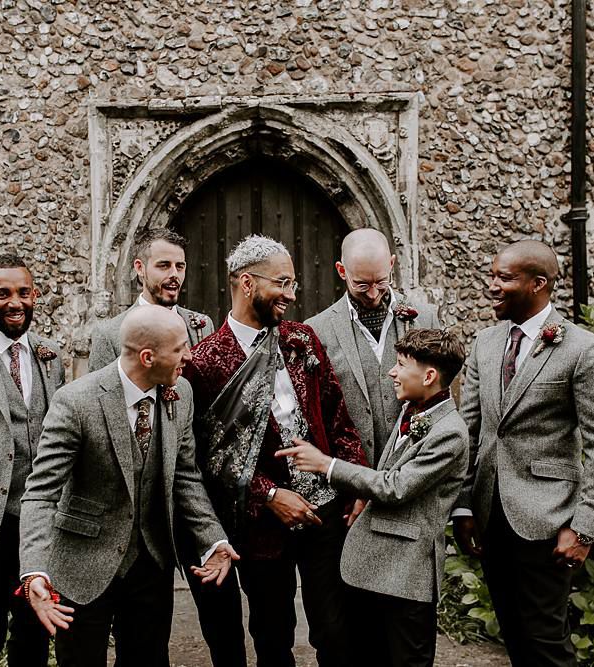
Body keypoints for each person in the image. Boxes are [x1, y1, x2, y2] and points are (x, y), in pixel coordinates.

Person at [18, 306, 238, 667]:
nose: (190, 355)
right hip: (82, 565)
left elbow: (185, 475)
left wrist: (212, 538)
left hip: (151, 562)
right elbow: (42, 492)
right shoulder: (76, 402)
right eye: (181, 348)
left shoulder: (179, 392)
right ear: (148, 357)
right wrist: (35, 570)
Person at [184, 234, 367, 667]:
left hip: (325, 512)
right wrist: (269, 495)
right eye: (282, 283)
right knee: (272, 636)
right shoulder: (205, 361)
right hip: (261, 525)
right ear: (247, 284)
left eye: (293, 284)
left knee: (336, 632)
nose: (290, 294)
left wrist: (355, 479)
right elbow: (207, 457)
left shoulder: (301, 339)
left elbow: (337, 415)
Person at [453, 240, 594, 666]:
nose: (492, 286)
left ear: (539, 284)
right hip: (491, 519)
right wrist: (463, 506)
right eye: (492, 275)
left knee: (547, 646)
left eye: (504, 278)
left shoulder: (582, 349)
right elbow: (469, 432)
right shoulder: (485, 344)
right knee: (513, 638)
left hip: (549, 523)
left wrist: (584, 528)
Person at [279, 327, 469, 667]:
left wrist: (327, 465)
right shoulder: (413, 408)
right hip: (377, 569)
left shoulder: (450, 432)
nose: (392, 372)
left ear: (428, 376)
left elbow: (394, 487)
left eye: (400, 365)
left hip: (407, 576)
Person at [0, 253, 64, 667]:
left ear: (35, 294)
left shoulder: (49, 354)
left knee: (33, 643)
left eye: (24, 292)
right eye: (2, 293)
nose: (15, 302)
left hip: (38, 526)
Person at [306, 228, 439, 466]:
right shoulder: (317, 330)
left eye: (381, 281)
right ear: (341, 270)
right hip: (351, 479)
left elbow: (441, 400)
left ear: (391, 263)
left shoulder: (425, 318)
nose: (374, 293)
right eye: (362, 284)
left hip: (415, 469)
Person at [88, 228, 213, 371]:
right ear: (140, 268)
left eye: (179, 266)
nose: (174, 274)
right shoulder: (108, 335)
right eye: (164, 265)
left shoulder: (203, 326)